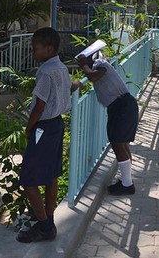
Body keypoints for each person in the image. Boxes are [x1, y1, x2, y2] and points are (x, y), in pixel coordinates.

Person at [16, 27, 71, 243]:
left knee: (28, 179)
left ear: (49, 49)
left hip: (43, 128)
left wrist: (29, 128)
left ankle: (44, 226)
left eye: (35, 49)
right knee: (51, 177)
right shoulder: (62, 68)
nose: (33, 52)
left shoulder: (46, 72)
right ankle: (48, 219)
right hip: (56, 125)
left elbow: (39, 105)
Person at [75, 51, 139, 196]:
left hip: (122, 106)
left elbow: (93, 76)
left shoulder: (100, 64)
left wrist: (84, 64)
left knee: (118, 143)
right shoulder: (98, 66)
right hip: (120, 106)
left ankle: (127, 184)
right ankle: (126, 181)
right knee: (122, 143)